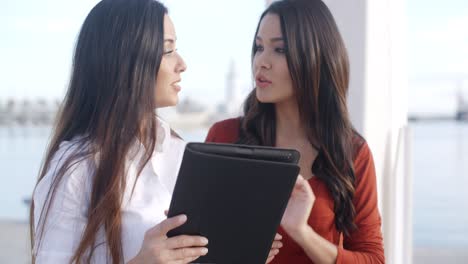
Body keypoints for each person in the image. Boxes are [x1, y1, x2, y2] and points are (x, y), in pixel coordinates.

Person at [29, 0, 282, 263]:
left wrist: (241, 252)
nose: (182, 64)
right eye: (168, 50)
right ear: (126, 59)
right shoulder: (76, 169)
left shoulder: (181, 152)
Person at [205, 0, 385, 263]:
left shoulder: (352, 151)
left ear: (315, 57)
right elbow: (192, 244)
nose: (261, 62)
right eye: (259, 47)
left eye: (279, 49)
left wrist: (303, 233)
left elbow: (374, 259)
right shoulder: (224, 137)